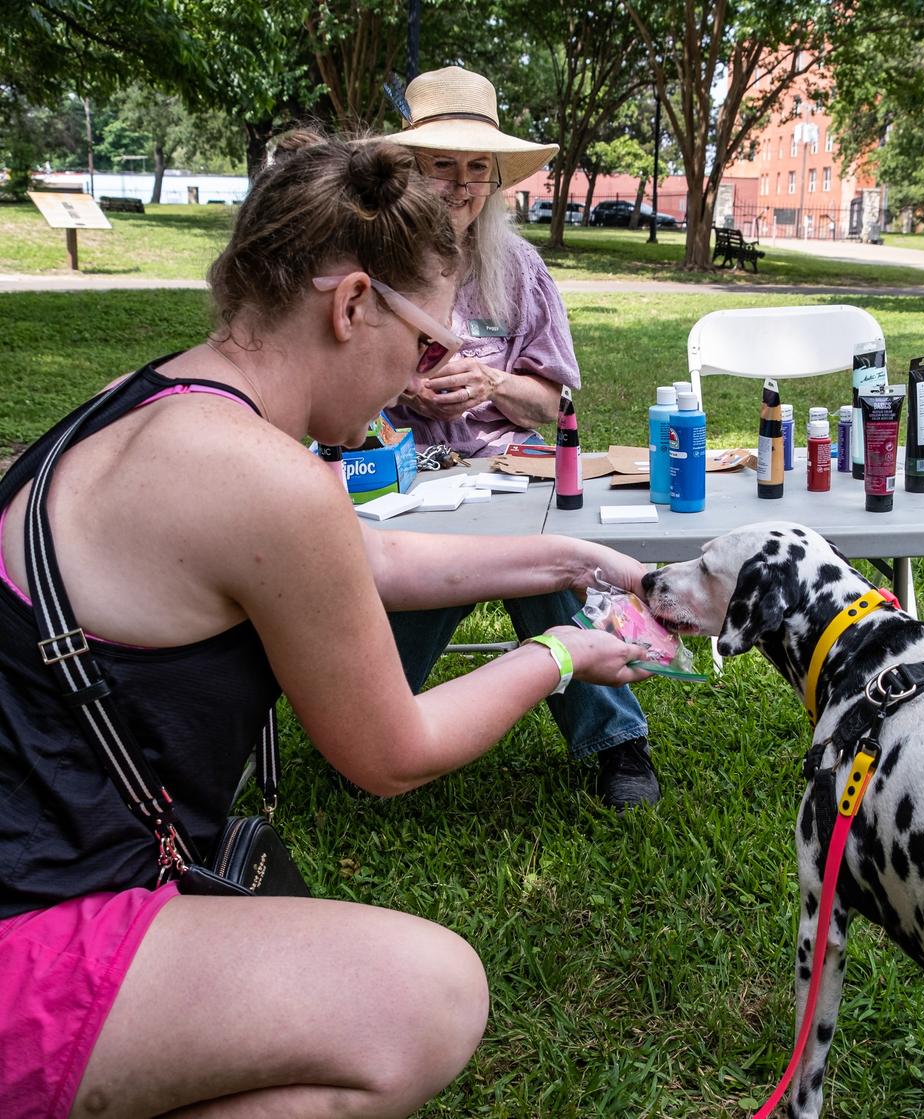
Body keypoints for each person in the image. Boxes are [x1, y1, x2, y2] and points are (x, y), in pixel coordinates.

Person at [0, 134, 653, 1118]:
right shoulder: (270, 482)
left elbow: (365, 560)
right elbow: (392, 752)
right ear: (351, 306)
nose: (425, 373)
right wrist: (560, 652)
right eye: (427, 343)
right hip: (33, 929)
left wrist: (571, 560)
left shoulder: (146, 401)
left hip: (40, 864)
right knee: (426, 999)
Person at [383, 66, 660, 810]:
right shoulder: (372, 263)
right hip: (403, 480)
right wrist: (399, 386)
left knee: (545, 563)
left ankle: (617, 741)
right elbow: (329, 393)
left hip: (506, 472)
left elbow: (550, 401)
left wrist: (492, 384)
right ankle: (377, 724)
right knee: (432, 565)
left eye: (479, 169)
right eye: (443, 164)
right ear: (411, 169)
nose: (462, 184)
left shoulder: (519, 267)